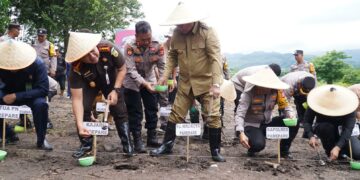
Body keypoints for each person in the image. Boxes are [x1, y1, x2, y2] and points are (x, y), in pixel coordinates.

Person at [150, 2, 226, 162]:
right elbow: (172, 56)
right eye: (178, 23)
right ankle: (167, 145)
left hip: (207, 83)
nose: (180, 26)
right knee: (176, 114)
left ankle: (215, 150)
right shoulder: (177, 34)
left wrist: (216, 84)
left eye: (183, 23)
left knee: (213, 115)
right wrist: (165, 75)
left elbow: (215, 59)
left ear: (193, 20)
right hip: (185, 82)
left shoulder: (208, 32)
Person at [65, 31, 133, 158]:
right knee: (84, 107)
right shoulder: (76, 67)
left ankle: (127, 143)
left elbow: (122, 69)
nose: (92, 56)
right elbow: (76, 99)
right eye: (86, 56)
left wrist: (116, 90)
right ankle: (86, 144)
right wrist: (80, 125)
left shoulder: (108, 47)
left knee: (118, 109)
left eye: (92, 51)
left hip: (111, 81)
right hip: (90, 83)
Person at [0, 40, 53, 150]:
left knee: (41, 105)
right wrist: (3, 95)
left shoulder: (37, 64)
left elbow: (43, 90)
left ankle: (41, 139)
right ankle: (7, 134)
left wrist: (16, 96)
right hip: (7, 93)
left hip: (32, 94)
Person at [123, 21, 165, 153]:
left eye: (149, 38)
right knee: (135, 111)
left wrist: (162, 80)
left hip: (150, 78)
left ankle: (151, 137)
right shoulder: (129, 46)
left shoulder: (158, 44)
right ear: (136, 36)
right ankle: (137, 140)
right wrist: (145, 84)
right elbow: (130, 70)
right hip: (131, 82)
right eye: (143, 39)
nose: (147, 42)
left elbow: (162, 65)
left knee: (152, 108)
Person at [236, 68, 296, 158]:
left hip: (267, 123)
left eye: (264, 86)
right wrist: (240, 132)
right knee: (258, 145)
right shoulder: (248, 93)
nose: (260, 87)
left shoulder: (277, 92)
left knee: (295, 122)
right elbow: (240, 114)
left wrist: (290, 114)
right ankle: (253, 146)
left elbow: (286, 106)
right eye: (259, 85)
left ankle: (284, 150)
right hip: (251, 125)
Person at [304, 85, 360, 161]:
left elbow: (348, 130)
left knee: (358, 154)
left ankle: (339, 150)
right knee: (326, 127)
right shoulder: (316, 101)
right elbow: (307, 121)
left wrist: (338, 147)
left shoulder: (350, 106)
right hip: (325, 128)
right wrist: (311, 136)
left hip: (343, 131)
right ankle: (330, 151)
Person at [231, 64, 281, 141]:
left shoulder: (269, 79)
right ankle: (241, 132)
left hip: (245, 82)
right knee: (242, 106)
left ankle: (258, 131)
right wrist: (240, 130)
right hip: (238, 84)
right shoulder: (255, 77)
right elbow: (246, 95)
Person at [33, 28, 56, 129]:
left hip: (45, 72)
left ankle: (46, 120)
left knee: (50, 90)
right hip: (33, 73)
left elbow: (54, 57)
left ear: (46, 36)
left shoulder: (50, 45)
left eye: (42, 36)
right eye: (39, 35)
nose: (40, 37)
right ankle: (25, 121)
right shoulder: (33, 44)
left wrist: (53, 69)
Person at [281, 71, 316, 138]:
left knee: (307, 111)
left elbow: (313, 100)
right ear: (300, 84)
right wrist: (290, 113)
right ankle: (284, 131)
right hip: (287, 88)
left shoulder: (312, 81)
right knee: (284, 111)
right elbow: (285, 102)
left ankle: (307, 132)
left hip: (300, 91)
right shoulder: (288, 84)